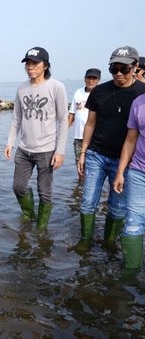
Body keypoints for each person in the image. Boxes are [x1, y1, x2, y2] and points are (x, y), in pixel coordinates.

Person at [77, 46, 145, 250]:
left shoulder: (142, 95)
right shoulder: (99, 91)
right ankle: (85, 240)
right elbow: (90, 124)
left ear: (135, 67)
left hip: (125, 161)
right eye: (113, 69)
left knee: (117, 207)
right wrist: (83, 153)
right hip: (96, 154)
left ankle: (109, 242)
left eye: (124, 69)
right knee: (88, 201)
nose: (118, 74)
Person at [4, 46, 68, 229]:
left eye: (35, 63)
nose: (30, 67)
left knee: (44, 192)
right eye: (28, 63)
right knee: (18, 187)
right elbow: (16, 118)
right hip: (24, 149)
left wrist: (60, 151)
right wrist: (10, 142)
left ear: (45, 65)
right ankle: (29, 214)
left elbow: (63, 120)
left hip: (47, 150)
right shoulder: (22, 88)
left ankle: (41, 230)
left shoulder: (56, 87)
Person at [113, 92, 145, 273]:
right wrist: (120, 173)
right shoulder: (138, 103)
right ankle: (130, 276)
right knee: (133, 224)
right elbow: (131, 140)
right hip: (138, 171)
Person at [68, 68, 101, 181]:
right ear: (85, 79)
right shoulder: (78, 92)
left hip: (96, 138)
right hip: (79, 137)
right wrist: (63, 131)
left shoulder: (102, 93)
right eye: (89, 78)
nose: (91, 81)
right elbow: (72, 114)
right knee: (80, 167)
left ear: (98, 80)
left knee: (97, 167)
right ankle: (80, 190)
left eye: (94, 78)